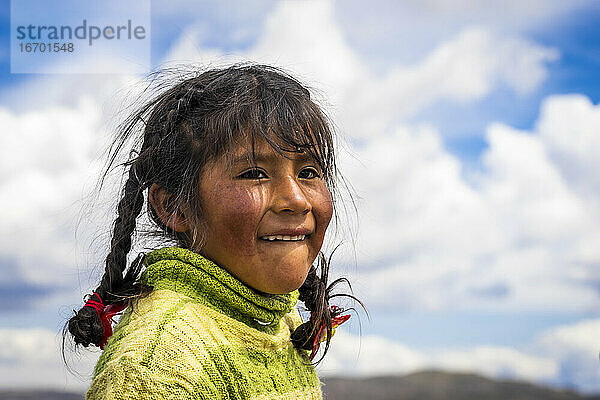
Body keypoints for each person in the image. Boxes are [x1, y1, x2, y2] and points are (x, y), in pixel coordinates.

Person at [65, 64, 361, 400]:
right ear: (175, 207)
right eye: (254, 173)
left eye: (308, 172)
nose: (295, 199)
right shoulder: (161, 365)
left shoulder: (276, 320)